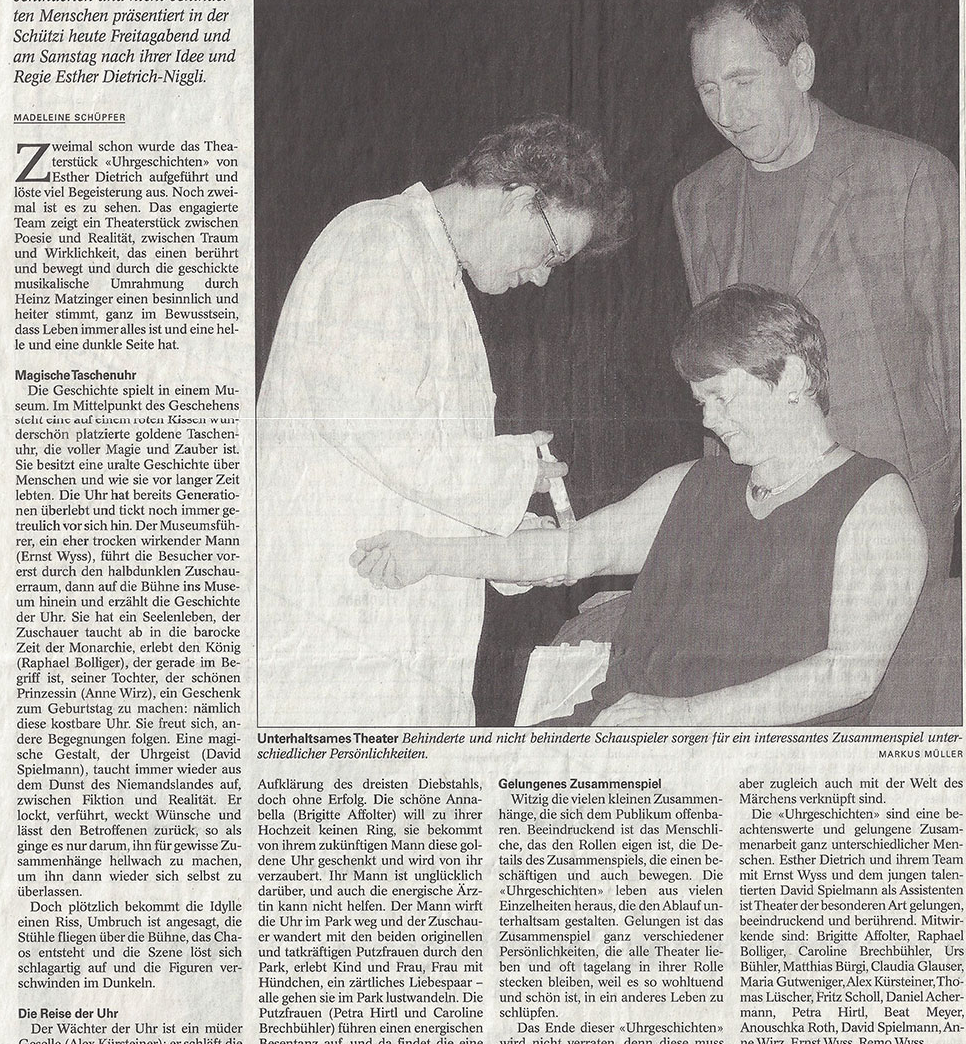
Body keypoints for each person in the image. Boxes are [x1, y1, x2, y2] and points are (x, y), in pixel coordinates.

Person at [352, 287, 927, 728]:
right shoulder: (692, 484)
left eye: (720, 396)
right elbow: (568, 552)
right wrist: (428, 554)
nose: (706, 419)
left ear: (793, 377)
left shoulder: (875, 501)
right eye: (700, 401)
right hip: (622, 737)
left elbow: (850, 671)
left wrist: (686, 720)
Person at [258, 116, 627, 727]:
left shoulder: (435, 276)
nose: (541, 277)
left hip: (390, 643)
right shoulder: (377, 243)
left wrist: (503, 541)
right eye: (552, 253)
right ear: (520, 199)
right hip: (338, 640)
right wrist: (516, 471)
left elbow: (416, 480)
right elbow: (382, 431)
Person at [672, 0, 959, 576]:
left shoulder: (909, 175)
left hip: (892, 501)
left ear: (800, 67)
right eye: (709, 90)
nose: (725, 112)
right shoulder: (696, 199)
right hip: (761, 510)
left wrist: (946, 498)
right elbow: (713, 371)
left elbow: (957, 356)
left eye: (743, 81)